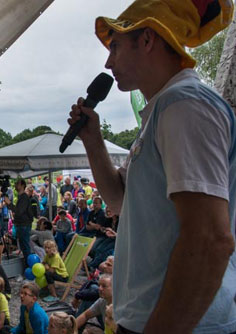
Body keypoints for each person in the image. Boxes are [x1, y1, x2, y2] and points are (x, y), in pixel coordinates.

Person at [68, 1, 236, 333]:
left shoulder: (186, 106)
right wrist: (92, 139)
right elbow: (119, 201)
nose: (108, 60)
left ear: (147, 40)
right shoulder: (165, 110)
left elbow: (210, 239)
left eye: (115, 45)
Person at [4, 178, 32, 267]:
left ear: (23, 185)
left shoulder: (24, 197)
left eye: (17, 184)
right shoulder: (21, 197)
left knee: (25, 247)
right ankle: (27, 266)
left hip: (24, 225)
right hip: (21, 225)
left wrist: (9, 204)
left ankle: (29, 266)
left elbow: (19, 211)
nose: (15, 185)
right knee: (23, 247)